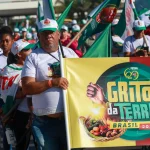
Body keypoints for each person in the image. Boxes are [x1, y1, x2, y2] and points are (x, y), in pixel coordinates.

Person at [21, 18, 78, 150]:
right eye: (45, 33)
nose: (49, 35)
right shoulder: (33, 57)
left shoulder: (70, 54)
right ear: (38, 36)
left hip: (70, 120)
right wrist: (52, 83)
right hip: (44, 123)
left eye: (52, 32)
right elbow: (27, 87)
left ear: (58, 34)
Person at [0, 39, 33, 150]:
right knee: (20, 145)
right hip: (19, 114)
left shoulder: (32, 67)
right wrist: (26, 89)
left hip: (37, 112)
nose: (31, 51)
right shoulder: (8, 70)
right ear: (19, 54)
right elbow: (10, 94)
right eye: (27, 49)